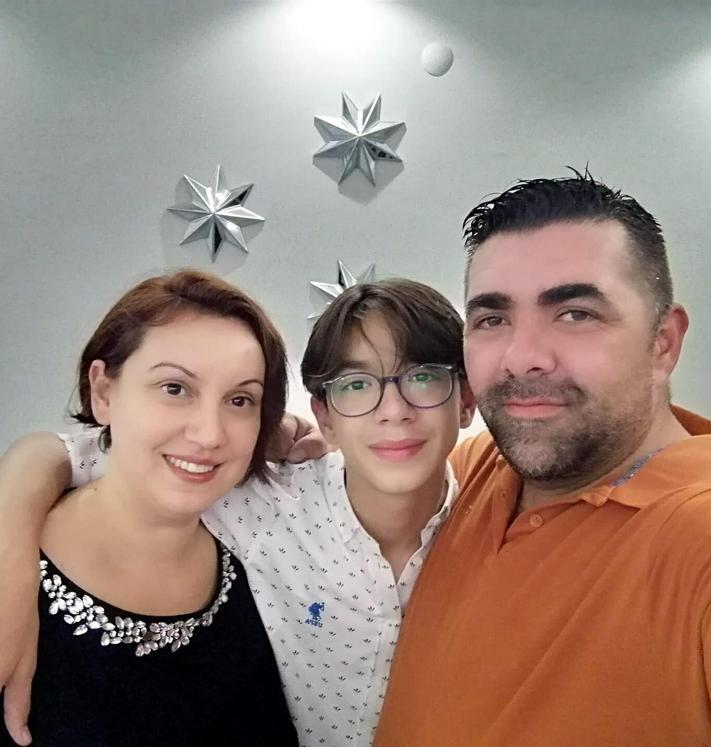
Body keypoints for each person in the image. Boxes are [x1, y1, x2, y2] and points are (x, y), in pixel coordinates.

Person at [0, 278, 475, 746]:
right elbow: (83, 453)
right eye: (174, 388)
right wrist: (11, 551)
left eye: (424, 377)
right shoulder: (266, 504)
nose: (393, 411)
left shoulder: (496, 522)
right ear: (324, 415)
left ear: (467, 400)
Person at [373, 172, 711, 744]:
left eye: (575, 313)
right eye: (493, 319)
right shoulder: (472, 469)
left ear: (663, 343)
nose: (522, 357)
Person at [0, 269, 298, 745]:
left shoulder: (261, 561)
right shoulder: (13, 572)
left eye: (240, 400)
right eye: (175, 388)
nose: (209, 434)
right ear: (103, 393)